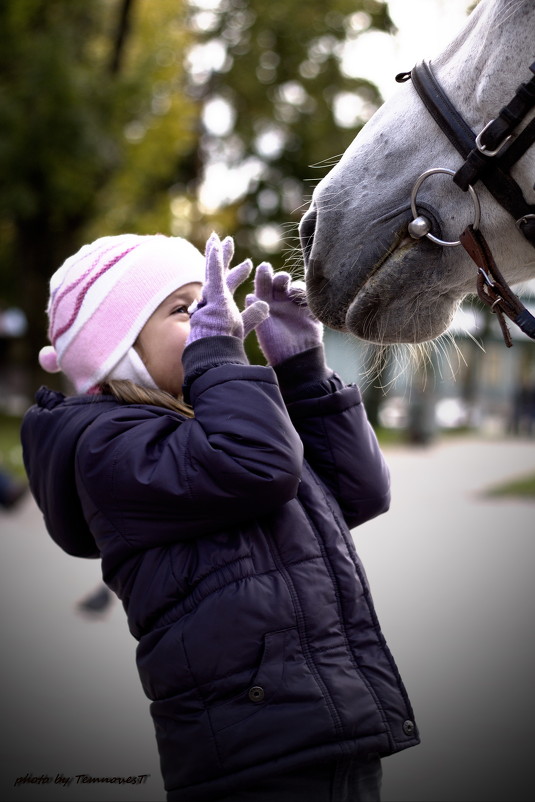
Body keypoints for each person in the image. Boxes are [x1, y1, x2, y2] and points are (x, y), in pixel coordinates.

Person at [21, 231, 419, 802]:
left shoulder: (213, 420)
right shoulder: (105, 447)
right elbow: (259, 467)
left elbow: (359, 493)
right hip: (254, 743)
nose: (214, 318)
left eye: (208, 305)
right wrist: (216, 356)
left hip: (323, 715)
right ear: (119, 350)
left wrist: (303, 368)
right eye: (185, 310)